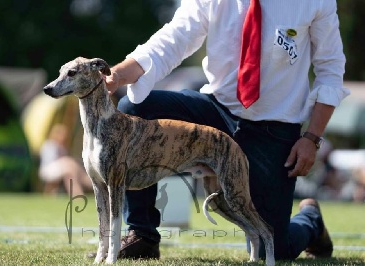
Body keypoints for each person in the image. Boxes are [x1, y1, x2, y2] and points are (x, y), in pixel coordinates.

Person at [102, 0, 349, 261]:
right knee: (135, 107)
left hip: (274, 130)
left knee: (273, 250)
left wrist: (312, 137)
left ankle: (311, 221)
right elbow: (173, 38)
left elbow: (330, 69)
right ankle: (142, 235)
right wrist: (117, 74)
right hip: (214, 112)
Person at [39, 123, 93, 196]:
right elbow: (51, 161)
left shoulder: (63, 147)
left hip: (64, 169)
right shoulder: (49, 145)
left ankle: (79, 191)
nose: (64, 137)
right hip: (48, 170)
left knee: (70, 171)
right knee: (69, 164)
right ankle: (83, 187)